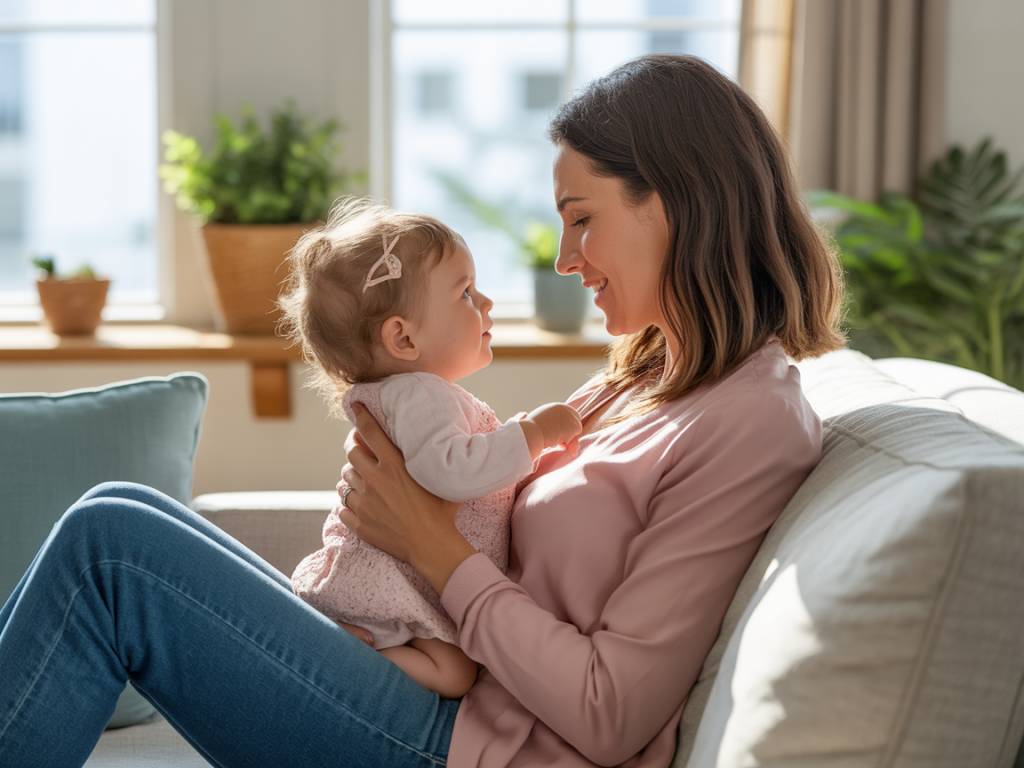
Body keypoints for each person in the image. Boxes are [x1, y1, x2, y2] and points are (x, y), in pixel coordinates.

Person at [0, 54, 844, 768]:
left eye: (581, 218)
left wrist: (434, 550)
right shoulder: (648, 376)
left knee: (111, 552)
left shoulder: (751, 422)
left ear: (676, 198)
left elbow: (608, 711)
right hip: (441, 695)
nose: (563, 257)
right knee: (118, 510)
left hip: (472, 742)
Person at [280, 198, 582, 698]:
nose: (485, 303)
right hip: (391, 589)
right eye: (465, 293)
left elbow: (455, 464)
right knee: (454, 675)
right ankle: (348, 651)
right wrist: (534, 436)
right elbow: (451, 471)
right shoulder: (419, 393)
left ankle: (346, 650)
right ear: (401, 337)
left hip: (408, 582)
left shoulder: (414, 394)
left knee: (456, 671)